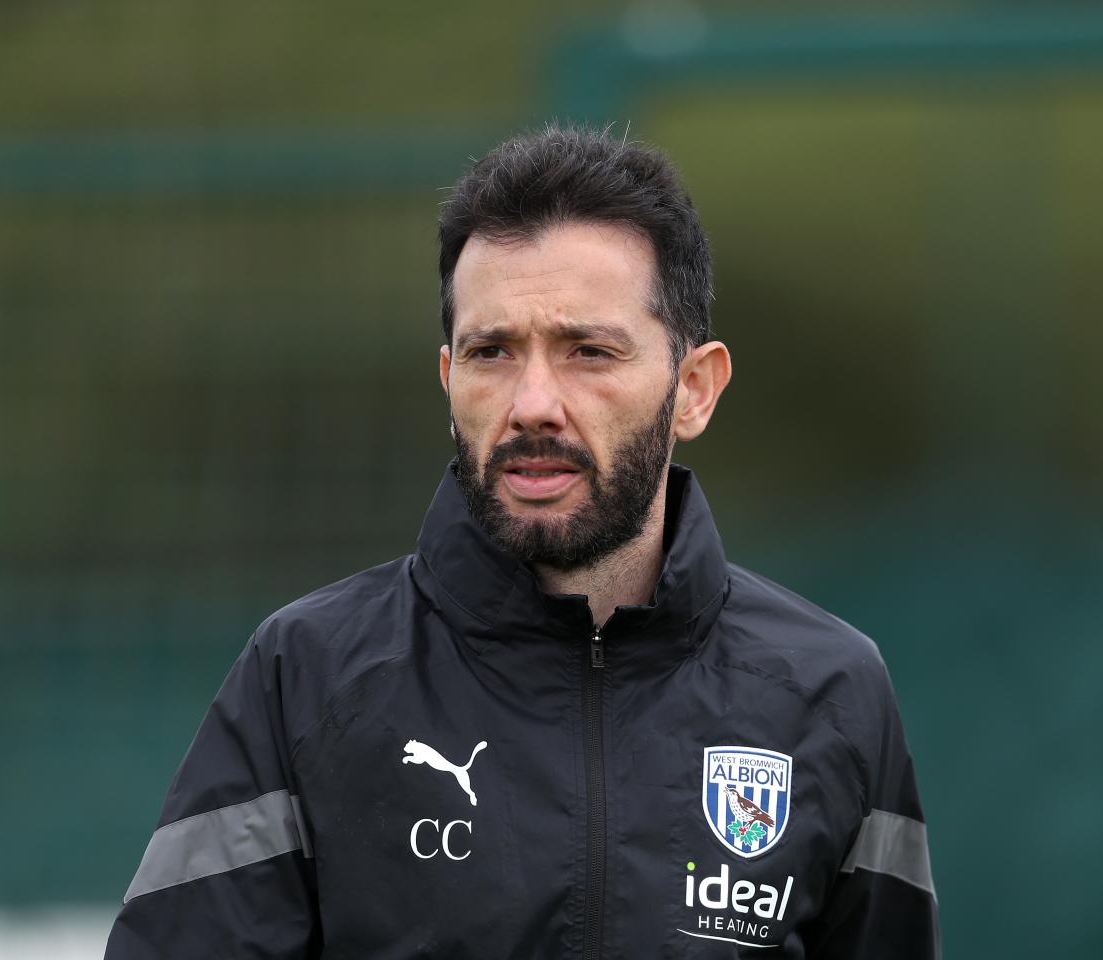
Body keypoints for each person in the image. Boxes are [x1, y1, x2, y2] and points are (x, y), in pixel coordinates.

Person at [103, 124, 940, 958]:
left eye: (588, 351)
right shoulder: (306, 678)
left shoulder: (831, 693)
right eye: (492, 351)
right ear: (449, 380)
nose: (533, 402)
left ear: (693, 389)